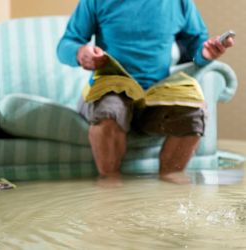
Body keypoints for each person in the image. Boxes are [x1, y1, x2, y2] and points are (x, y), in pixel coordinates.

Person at [57, 0, 234, 184]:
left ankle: (171, 182)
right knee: (109, 111)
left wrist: (207, 54)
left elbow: (197, 48)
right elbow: (66, 44)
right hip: (111, 86)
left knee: (193, 115)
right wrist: (80, 53)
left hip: (156, 93)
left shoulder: (180, 3)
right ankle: (109, 183)